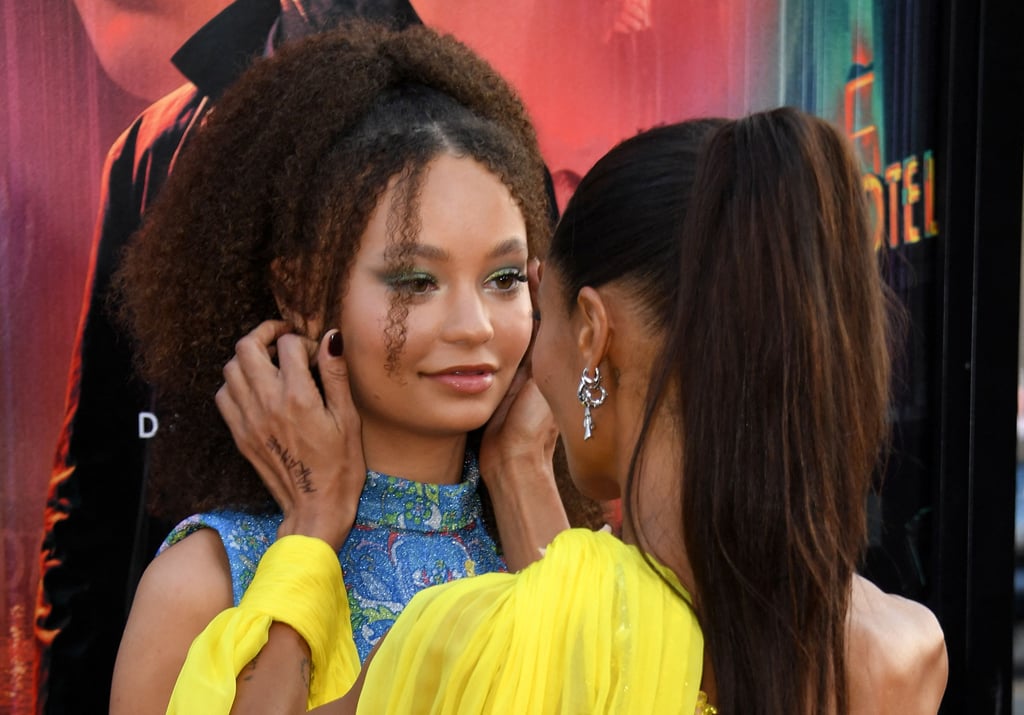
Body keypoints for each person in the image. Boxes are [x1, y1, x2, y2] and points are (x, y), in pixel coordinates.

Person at [205, 110, 949, 713]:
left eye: (518, 286)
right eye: (416, 279)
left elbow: (580, 639)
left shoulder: (466, 638)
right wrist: (520, 463)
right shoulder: (901, 650)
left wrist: (309, 526)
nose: (486, 333)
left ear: (592, 330)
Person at [106, 21, 601, 714]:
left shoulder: (590, 561)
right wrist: (313, 529)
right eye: (414, 281)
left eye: (505, 277)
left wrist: (522, 466)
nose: (475, 325)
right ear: (302, 295)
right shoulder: (206, 582)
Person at [35, 2, 424, 712]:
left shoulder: (468, 125)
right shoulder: (153, 149)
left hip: (415, 615)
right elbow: (99, 470)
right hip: (186, 628)